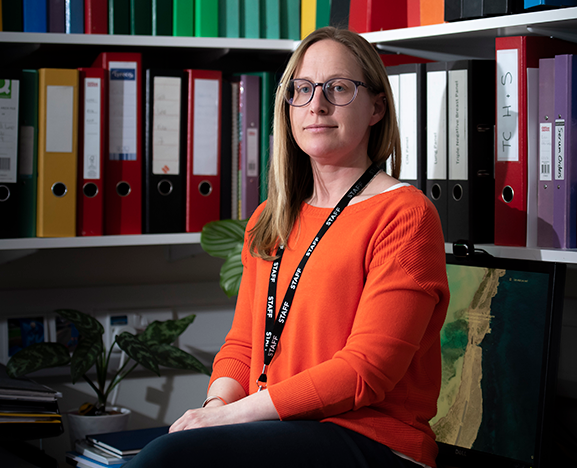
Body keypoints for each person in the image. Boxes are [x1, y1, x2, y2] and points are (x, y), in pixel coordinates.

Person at [124, 26, 450, 468]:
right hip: (278, 429)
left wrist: (232, 419)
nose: (317, 104)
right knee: (169, 453)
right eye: (302, 88)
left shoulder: (405, 214)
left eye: (338, 88)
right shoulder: (270, 218)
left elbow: (365, 372)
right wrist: (217, 407)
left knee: (165, 461)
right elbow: (243, 346)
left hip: (372, 439)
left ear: (376, 107)